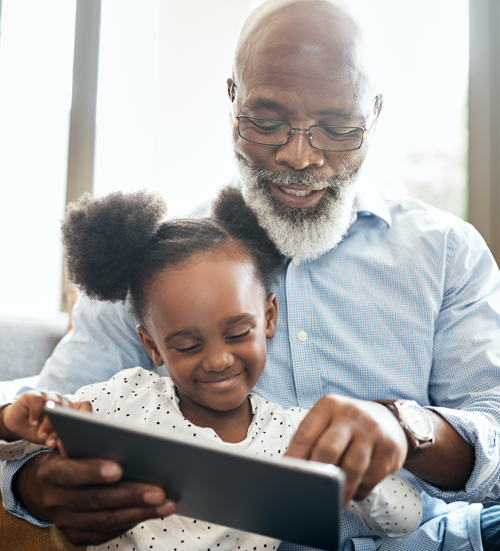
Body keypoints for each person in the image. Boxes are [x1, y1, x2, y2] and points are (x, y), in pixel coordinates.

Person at [2, 0, 500, 549]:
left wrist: (407, 429)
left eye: (336, 128)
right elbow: (43, 420)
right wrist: (35, 484)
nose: (298, 155)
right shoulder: (157, 263)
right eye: (267, 121)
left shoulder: (447, 252)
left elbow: (494, 429)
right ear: (232, 98)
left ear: (374, 115)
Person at [0, 188, 422, 549]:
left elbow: (404, 519)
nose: (219, 359)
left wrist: (360, 477)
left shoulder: (295, 436)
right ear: (152, 345)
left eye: (238, 333)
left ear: (269, 318)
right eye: (188, 344)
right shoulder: (124, 400)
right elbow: (20, 452)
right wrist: (10, 419)